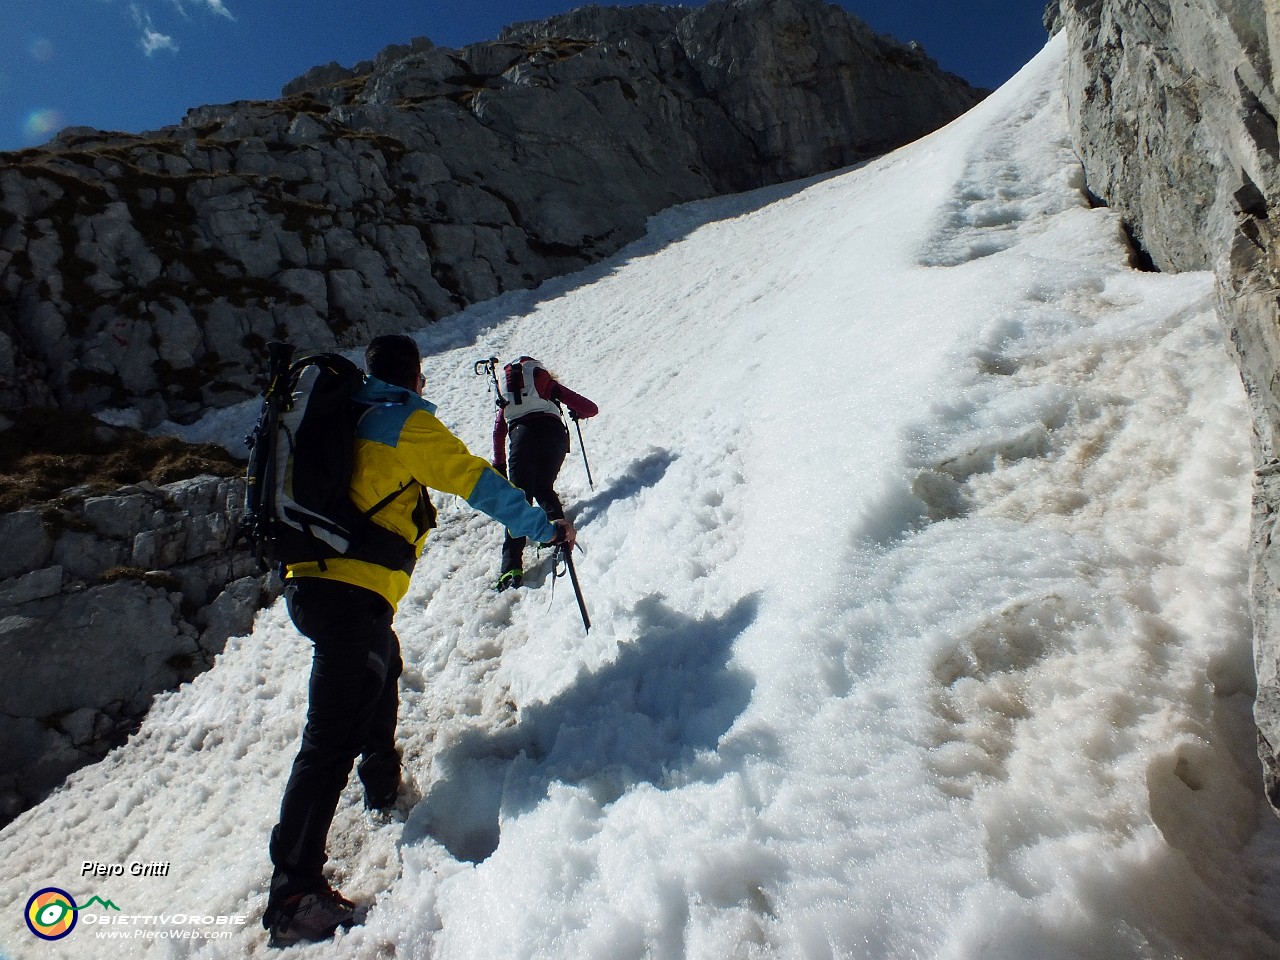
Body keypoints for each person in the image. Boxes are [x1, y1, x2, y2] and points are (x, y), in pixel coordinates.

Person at [264, 334, 574, 948]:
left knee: (381, 663)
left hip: (311, 582)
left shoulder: (345, 418)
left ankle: (380, 774)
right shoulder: (400, 422)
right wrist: (543, 527)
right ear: (417, 377)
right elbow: (475, 482)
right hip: (352, 592)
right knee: (327, 737)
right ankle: (293, 894)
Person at [491, 355, 597, 591]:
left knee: (518, 502)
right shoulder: (546, 385)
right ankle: (558, 538)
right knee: (543, 487)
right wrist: (576, 413)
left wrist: (499, 464)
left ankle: (511, 567)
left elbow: (499, 430)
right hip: (554, 436)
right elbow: (591, 409)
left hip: (521, 438)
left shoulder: (508, 395)